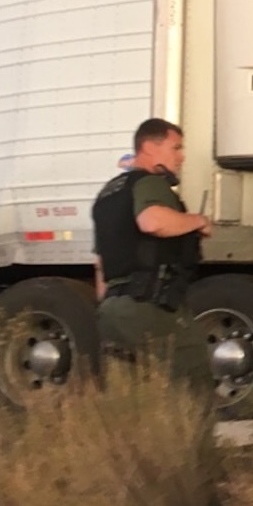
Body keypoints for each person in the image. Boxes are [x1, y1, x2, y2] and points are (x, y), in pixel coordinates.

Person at [91, 118, 215, 391]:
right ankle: (197, 435)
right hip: (148, 306)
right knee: (194, 386)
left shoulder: (107, 195)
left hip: (112, 312)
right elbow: (153, 222)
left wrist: (106, 311)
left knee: (133, 397)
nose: (181, 157)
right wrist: (199, 221)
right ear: (148, 147)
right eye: (176, 148)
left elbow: (100, 265)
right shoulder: (149, 183)